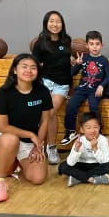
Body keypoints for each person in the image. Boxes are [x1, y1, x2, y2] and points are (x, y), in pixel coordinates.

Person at [0, 53, 53, 202]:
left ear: (37, 72)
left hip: (29, 143)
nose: (29, 71)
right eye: (24, 67)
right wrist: (31, 135)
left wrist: (38, 146)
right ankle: (0, 182)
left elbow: (45, 121)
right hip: (6, 138)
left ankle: (15, 162)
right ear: (15, 70)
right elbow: (3, 126)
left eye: (33, 68)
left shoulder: (42, 92)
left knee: (38, 178)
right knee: (11, 140)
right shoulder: (3, 93)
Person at [32, 10, 72, 165]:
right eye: (51, 21)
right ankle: (51, 146)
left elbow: (68, 60)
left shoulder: (67, 40)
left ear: (62, 24)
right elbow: (35, 65)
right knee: (50, 114)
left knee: (49, 112)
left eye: (58, 21)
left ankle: (41, 145)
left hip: (62, 84)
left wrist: (74, 62)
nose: (55, 24)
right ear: (46, 23)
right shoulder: (40, 43)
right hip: (46, 82)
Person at [60, 31, 109, 145]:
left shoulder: (104, 60)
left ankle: (99, 132)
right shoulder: (83, 57)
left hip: (95, 89)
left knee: (94, 107)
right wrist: (77, 64)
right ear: (87, 46)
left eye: (97, 44)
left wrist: (101, 85)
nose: (94, 46)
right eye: (92, 44)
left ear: (101, 45)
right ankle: (70, 131)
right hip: (82, 88)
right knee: (71, 105)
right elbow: (72, 73)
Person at [58, 112, 109, 186]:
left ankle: (78, 178)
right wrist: (76, 149)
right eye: (88, 128)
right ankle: (92, 179)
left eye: (95, 127)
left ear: (99, 127)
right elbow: (70, 163)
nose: (92, 130)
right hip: (81, 165)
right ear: (82, 129)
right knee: (63, 166)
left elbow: (105, 161)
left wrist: (95, 148)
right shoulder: (80, 140)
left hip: (96, 165)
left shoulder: (103, 140)